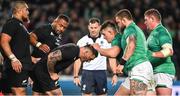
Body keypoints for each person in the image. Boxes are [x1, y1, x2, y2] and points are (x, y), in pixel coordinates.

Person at [31, 43, 98, 95]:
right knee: (56, 94)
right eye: (90, 58)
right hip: (44, 72)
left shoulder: (76, 53)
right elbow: (52, 57)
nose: (89, 61)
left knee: (38, 94)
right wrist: (52, 73)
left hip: (41, 70)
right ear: (86, 52)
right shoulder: (73, 50)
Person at [114, 9, 154, 95]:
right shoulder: (137, 29)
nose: (118, 25)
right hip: (144, 69)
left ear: (124, 20)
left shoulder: (130, 28)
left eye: (118, 22)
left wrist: (121, 63)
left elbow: (131, 45)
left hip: (139, 69)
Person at [73, 18, 114, 96]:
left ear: (99, 27)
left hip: (101, 72)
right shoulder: (82, 41)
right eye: (91, 28)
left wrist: (114, 73)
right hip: (87, 72)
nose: (93, 30)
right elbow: (77, 59)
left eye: (95, 28)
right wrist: (75, 75)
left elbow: (111, 56)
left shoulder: (106, 40)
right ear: (88, 27)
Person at [0, 1, 32, 95]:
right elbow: (3, 41)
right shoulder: (12, 23)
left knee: (10, 93)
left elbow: (19, 47)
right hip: (17, 67)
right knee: (19, 92)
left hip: (17, 66)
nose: (28, 12)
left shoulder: (20, 26)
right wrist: (13, 59)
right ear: (19, 10)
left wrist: (31, 58)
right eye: (26, 9)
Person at [144, 8, 176, 95]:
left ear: (152, 19)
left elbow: (169, 51)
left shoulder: (161, 31)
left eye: (146, 20)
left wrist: (152, 54)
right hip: (152, 73)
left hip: (162, 72)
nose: (144, 22)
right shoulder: (153, 33)